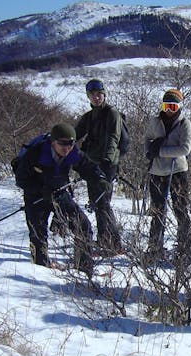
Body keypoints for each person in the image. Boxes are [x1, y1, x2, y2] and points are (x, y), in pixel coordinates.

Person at [14, 123, 109, 276]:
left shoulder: (72, 152)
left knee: (82, 225)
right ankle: (41, 270)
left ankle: (84, 268)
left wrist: (100, 178)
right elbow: (21, 179)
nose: (67, 147)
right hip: (36, 198)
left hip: (59, 193)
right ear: (53, 141)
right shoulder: (36, 153)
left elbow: (86, 166)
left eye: (71, 143)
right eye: (62, 143)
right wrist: (40, 189)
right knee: (38, 235)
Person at [143, 88, 191, 261]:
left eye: (173, 106)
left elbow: (185, 149)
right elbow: (147, 138)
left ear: (179, 106)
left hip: (177, 170)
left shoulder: (184, 123)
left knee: (181, 210)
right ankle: (154, 248)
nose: (169, 110)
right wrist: (148, 151)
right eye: (166, 106)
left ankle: (185, 247)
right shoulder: (155, 121)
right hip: (157, 171)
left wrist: (160, 151)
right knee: (157, 211)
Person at [74, 78, 124, 256]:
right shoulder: (88, 117)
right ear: (88, 96)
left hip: (107, 164)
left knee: (104, 203)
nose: (96, 97)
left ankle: (114, 243)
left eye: (99, 94)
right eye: (92, 95)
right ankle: (104, 239)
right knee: (96, 203)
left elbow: (113, 138)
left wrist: (108, 159)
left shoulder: (112, 113)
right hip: (92, 164)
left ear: (104, 94)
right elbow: (75, 134)